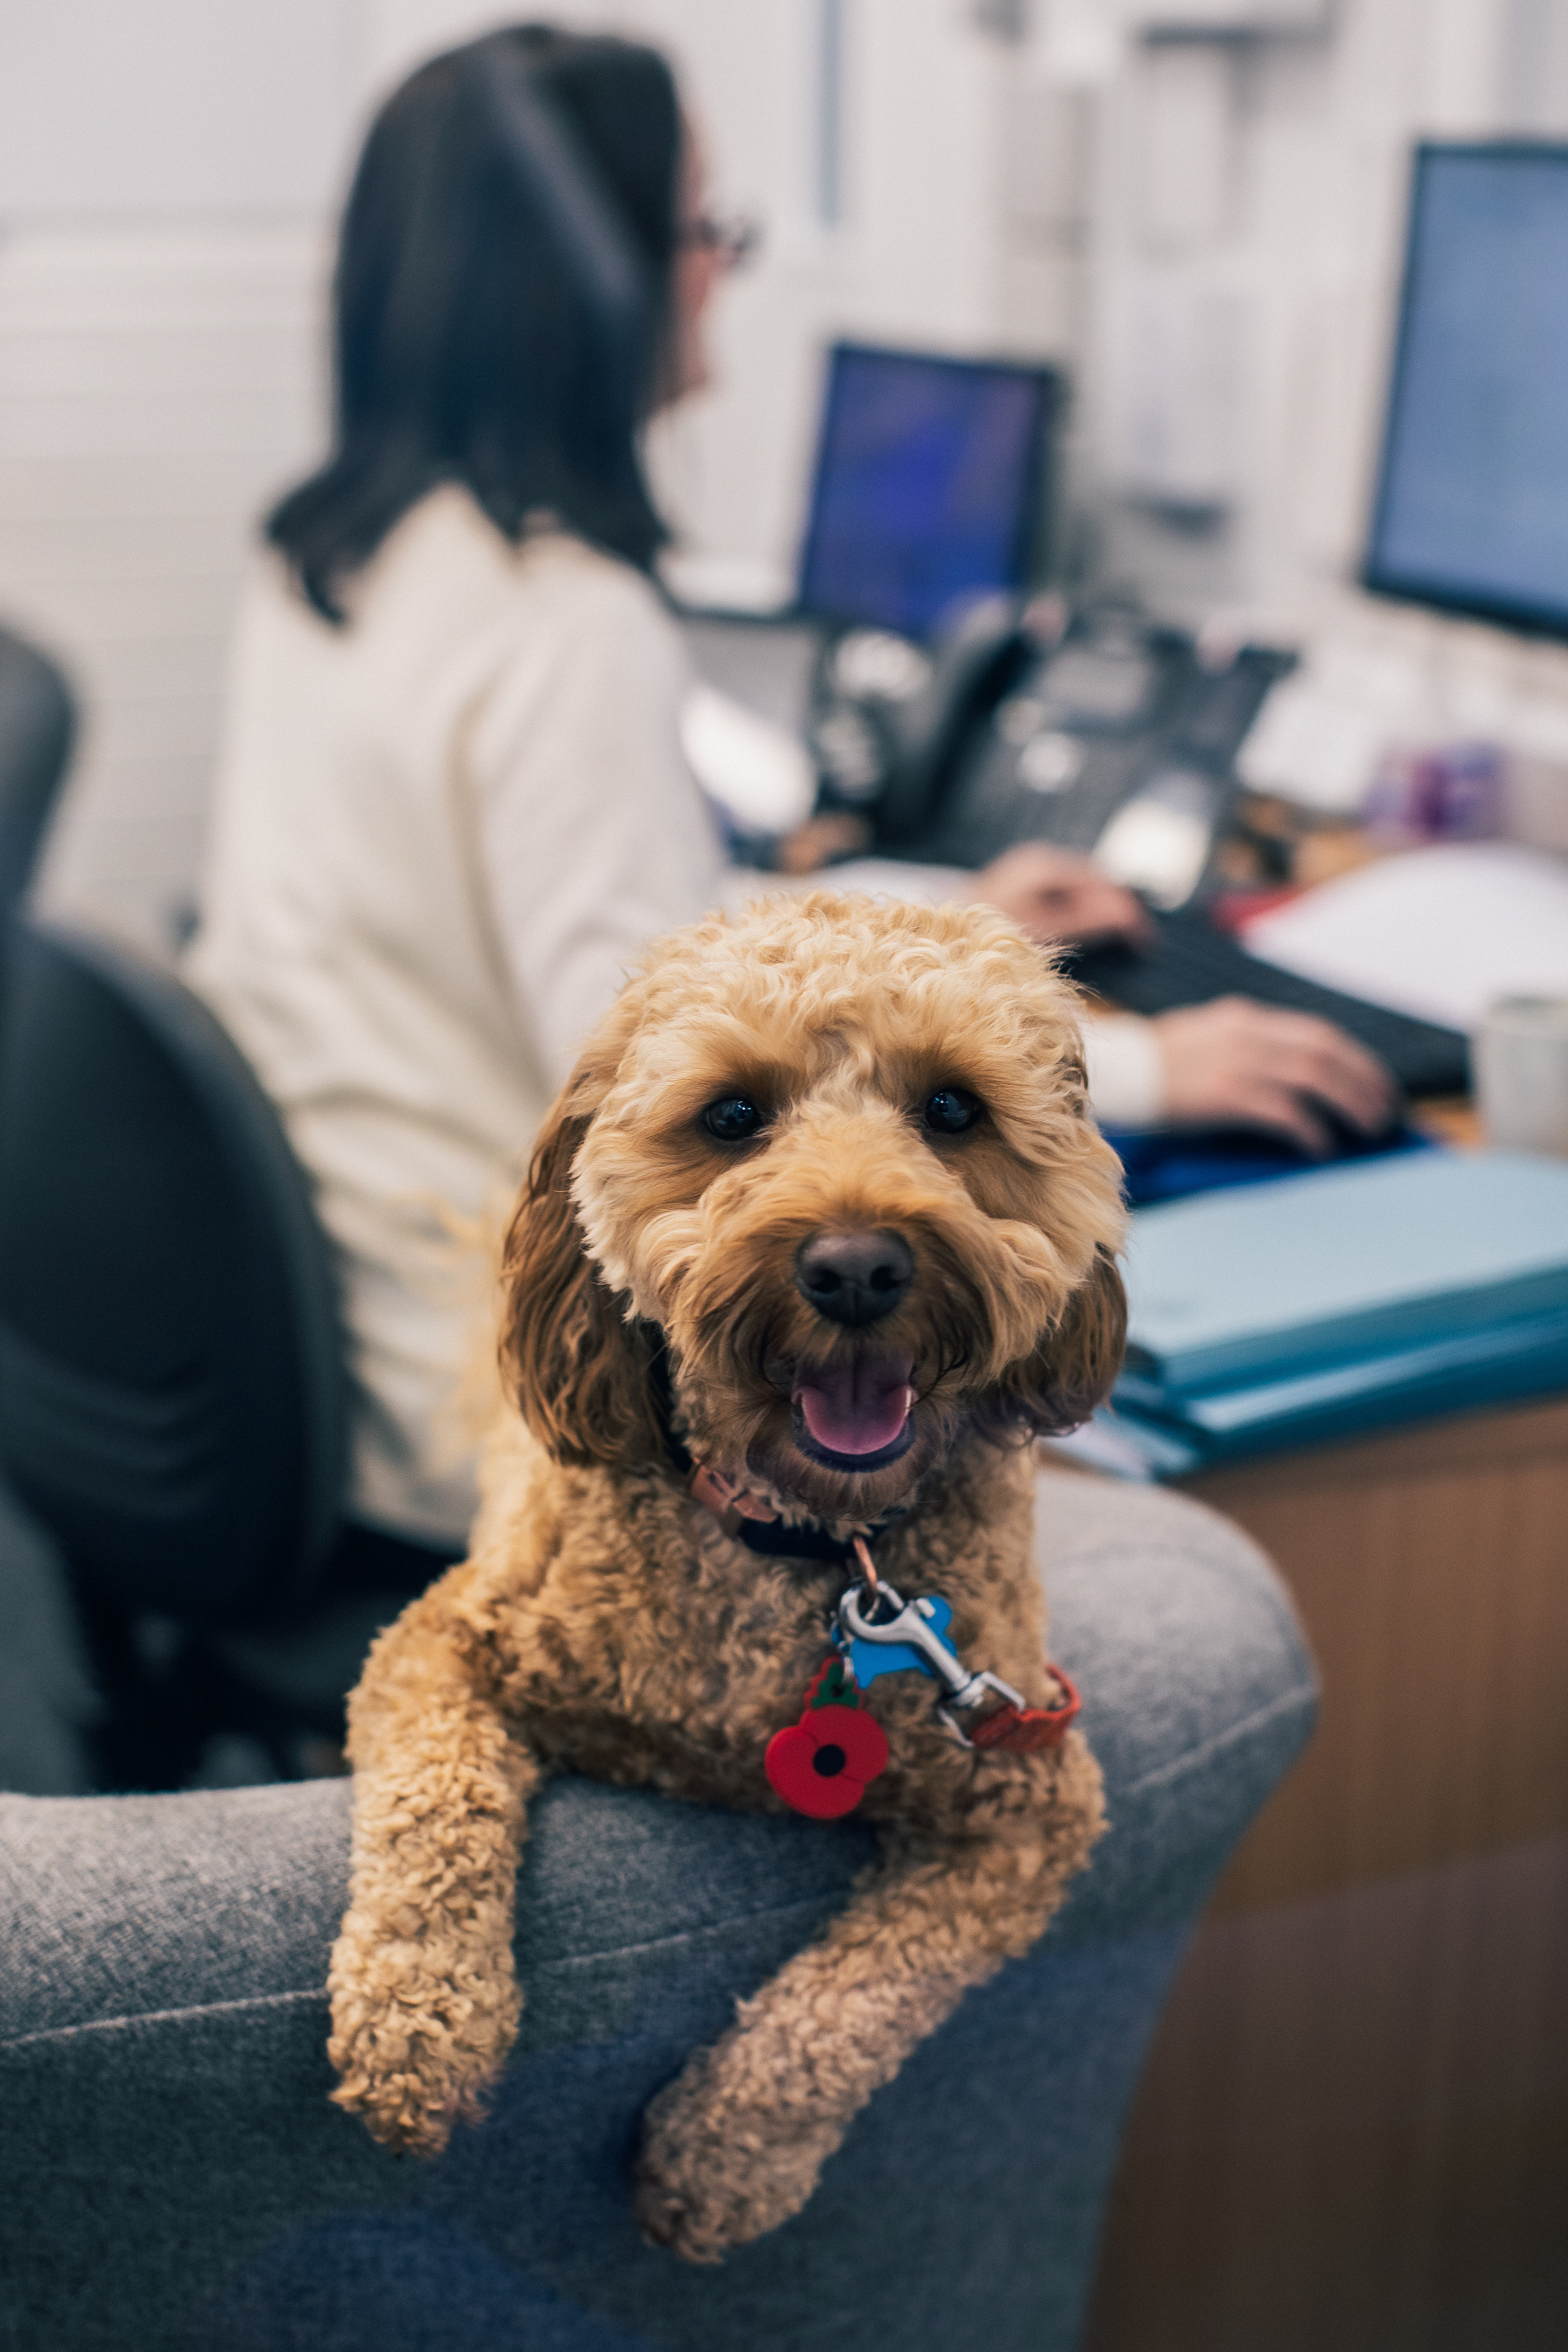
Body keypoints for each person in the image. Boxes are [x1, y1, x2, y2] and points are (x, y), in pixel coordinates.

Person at [189, 21, 1392, 1564]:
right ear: (599, 281)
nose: (722, 272)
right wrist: (1146, 1070)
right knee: (1172, 1548)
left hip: (326, 1329)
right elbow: (652, 1060)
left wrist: (932, 926)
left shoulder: (331, 556)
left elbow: (585, 924)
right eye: (704, 229)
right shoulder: (564, 623)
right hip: (504, 1405)